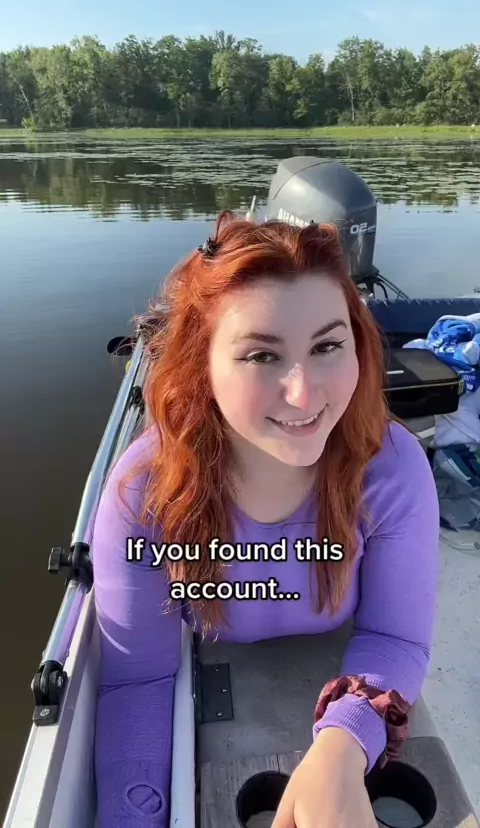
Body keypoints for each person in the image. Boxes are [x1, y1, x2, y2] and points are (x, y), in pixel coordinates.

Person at [92, 211, 440, 828]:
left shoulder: (390, 469)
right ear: (201, 363)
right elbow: (138, 680)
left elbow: (396, 637)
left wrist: (343, 744)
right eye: (261, 355)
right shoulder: (144, 493)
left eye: (327, 346)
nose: (304, 395)